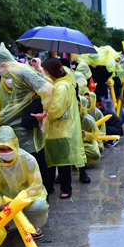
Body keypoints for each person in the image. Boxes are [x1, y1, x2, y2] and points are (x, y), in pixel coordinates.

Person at [0, 43, 55, 192]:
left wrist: (44, 112)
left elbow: (48, 88)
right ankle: (41, 190)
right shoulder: (18, 72)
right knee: (33, 158)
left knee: (33, 159)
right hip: (20, 122)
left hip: (23, 125)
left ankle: (41, 193)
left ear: (1, 64)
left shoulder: (21, 72)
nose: (0, 73)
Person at [0, 126, 49, 238]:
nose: (7, 152)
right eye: (2, 149)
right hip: (3, 202)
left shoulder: (28, 159)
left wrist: (21, 202)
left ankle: (33, 225)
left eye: (9, 148)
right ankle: (4, 226)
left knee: (39, 206)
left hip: (27, 200)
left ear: (15, 145)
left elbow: (36, 185)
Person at [40, 58, 85, 199]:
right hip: (54, 130)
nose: (44, 73)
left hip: (60, 130)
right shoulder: (58, 84)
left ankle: (66, 188)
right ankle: (50, 186)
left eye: (45, 71)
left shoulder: (62, 86)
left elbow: (56, 109)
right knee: (50, 161)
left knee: (63, 162)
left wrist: (43, 112)